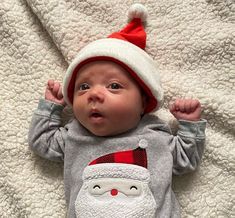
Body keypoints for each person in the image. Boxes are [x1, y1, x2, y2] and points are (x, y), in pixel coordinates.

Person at [28, 4, 206, 218]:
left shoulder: (156, 135)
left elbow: (186, 159)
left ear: (143, 102)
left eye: (113, 86)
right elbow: (41, 142)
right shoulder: (73, 135)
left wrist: (189, 125)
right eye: (83, 87)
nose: (94, 94)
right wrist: (51, 108)